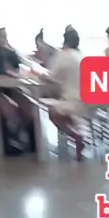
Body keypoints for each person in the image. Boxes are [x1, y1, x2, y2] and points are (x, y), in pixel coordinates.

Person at [0, 27, 35, 154]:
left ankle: (32, 141)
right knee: (8, 108)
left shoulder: (10, 51)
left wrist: (11, 52)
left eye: (6, 37)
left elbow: (20, 66)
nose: (5, 40)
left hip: (10, 87)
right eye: (2, 37)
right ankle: (9, 142)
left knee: (27, 104)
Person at [46, 27, 86, 160]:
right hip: (88, 102)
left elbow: (51, 77)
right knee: (63, 107)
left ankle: (75, 135)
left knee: (53, 112)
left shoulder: (62, 55)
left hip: (72, 101)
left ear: (64, 41)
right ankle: (77, 133)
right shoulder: (80, 55)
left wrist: (39, 75)